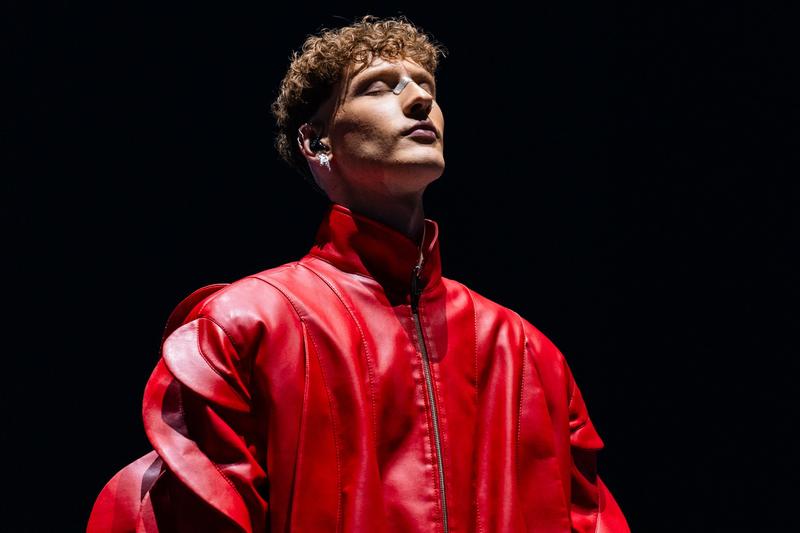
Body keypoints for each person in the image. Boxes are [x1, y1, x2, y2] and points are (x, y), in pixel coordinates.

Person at [88, 15, 629, 533]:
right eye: (379, 87)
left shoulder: (528, 354)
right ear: (316, 142)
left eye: (426, 87)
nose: (420, 100)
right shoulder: (244, 325)